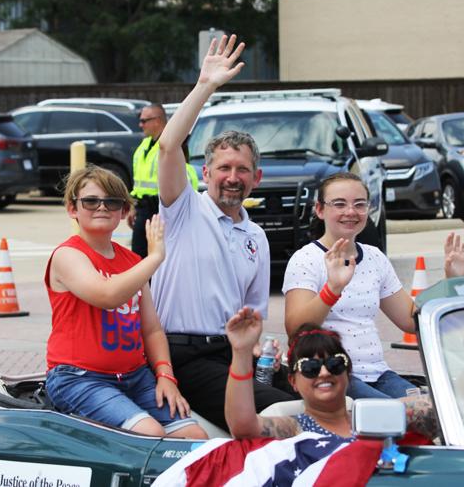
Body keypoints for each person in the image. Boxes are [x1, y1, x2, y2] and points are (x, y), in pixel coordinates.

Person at [151, 34, 296, 430]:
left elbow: (254, 317)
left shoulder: (256, 238)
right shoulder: (184, 208)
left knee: (313, 396)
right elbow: (167, 147)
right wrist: (205, 87)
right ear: (205, 174)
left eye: (243, 170)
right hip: (183, 356)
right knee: (285, 415)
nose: (233, 178)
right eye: (224, 168)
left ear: (257, 178)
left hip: (231, 353)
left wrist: (257, 357)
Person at [44, 165, 206, 439]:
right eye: (91, 201)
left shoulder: (131, 262)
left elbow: (152, 330)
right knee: (149, 433)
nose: (102, 207)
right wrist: (154, 258)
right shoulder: (67, 255)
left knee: (195, 438)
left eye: (112, 201)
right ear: (73, 209)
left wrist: (166, 375)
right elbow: (108, 296)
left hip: (135, 376)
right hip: (79, 377)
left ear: (123, 211)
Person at [283, 172, 464, 399]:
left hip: (378, 373)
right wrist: (333, 289)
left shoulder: (374, 257)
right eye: (339, 204)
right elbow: (295, 328)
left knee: (430, 411)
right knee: (395, 418)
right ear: (320, 210)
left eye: (359, 204)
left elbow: (410, 320)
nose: (350, 212)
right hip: (335, 373)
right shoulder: (306, 259)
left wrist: (450, 281)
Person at [224, 310, 439, 441]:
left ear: (348, 372)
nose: (325, 372)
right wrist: (242, 352)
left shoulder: (376, 417)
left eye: (335, 363)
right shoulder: (295, 427)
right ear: (293, 381)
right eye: (310, 367)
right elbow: (243, 427)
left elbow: (450, 408)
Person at [127, 104, 167, 258]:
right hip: (143, 209)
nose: (140, 124)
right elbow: (138, 182)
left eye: (144, 121)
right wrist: (133, 206)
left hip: (161, 211)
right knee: (137, 257)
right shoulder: (145, 145)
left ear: (157, 121)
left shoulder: (171, 145)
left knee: (159, 258)